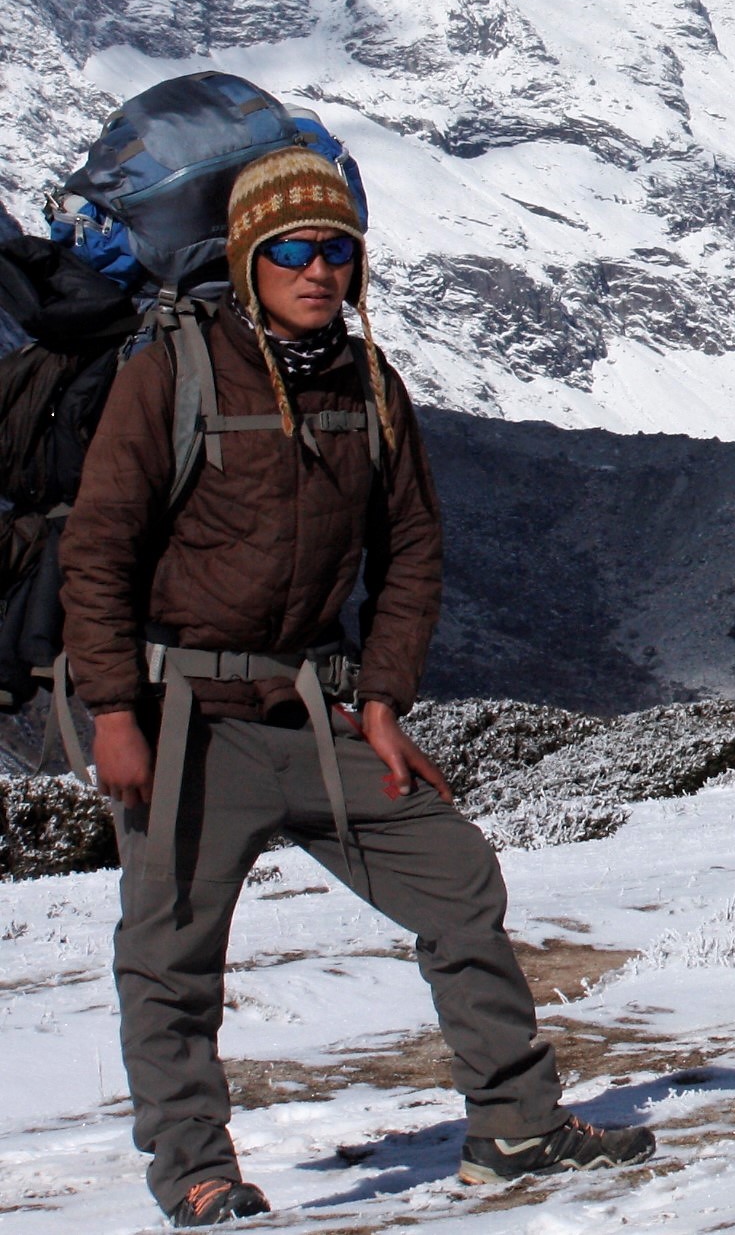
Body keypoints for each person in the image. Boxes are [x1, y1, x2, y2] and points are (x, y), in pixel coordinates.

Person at [60, 147, 652, 1225]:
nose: (318, 267)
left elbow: (412, 546)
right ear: (248, 259)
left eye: (338, 248)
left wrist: (381, 700)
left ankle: (516, 1126)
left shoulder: (368, 384)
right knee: (172, 956)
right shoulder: (172, 374)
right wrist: (112, 710)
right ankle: (197, 1171)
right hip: (183, 714)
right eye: (293, 247)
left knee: (457, 874)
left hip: (308, 708)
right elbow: (97, 549)